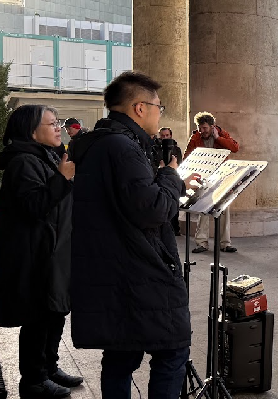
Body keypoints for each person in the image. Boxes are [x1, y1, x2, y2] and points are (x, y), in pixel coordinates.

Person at [69, 71, 200, 399]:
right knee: (172, 350)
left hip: (111, 266)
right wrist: (170, 175)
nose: (160, 114)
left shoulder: (99, 143)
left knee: (120, 353)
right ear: (139, 108)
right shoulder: (123, 147)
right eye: (158, 107)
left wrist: (167, 179)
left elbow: (129, 196)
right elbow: (154, 210)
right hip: (136, 269)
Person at [0, 105, 82, 399]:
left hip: (52, 251)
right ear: (32, 132)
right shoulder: (23, 162)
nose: (59, 128)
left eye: (58, 122)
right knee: (38, 317)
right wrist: (63, 178)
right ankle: (34, 380)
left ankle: (49, 367)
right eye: (52, 124)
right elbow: (34, 206)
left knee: (55, 311)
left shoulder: (45, 156)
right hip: (33, 254)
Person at [186, 111, 239, 253]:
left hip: (222, 178)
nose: (202, 131)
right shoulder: (195, 137)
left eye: (204, 128)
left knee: (224, 209)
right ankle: (201, 243)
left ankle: (225, 243)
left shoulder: (222, 134)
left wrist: (218, 138)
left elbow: (235, 147)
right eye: (200, 128)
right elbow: (187, 157)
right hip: (204, 178)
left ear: (212, 126)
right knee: (203, 208)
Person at [156, 127, 184, 235]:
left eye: (167, 135)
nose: (165, 137)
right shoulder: (156, 148)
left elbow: (179, 162)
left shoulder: (176, 149)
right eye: (163, 136)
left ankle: (175, 228)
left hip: (173, 176)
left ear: (171, 135)